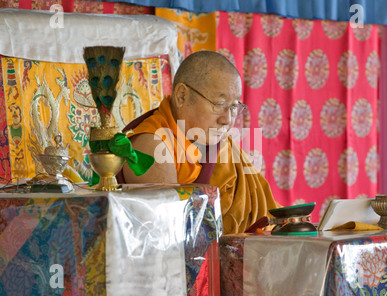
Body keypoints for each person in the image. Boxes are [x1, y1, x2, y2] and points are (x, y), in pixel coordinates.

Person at [118, 50, 281, 234]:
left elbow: (264, 213)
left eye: (234, 107)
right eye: (219, 104)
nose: (227, 119)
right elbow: (169, 236)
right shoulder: (152, 146)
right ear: (181, 96)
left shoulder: (216, 143)